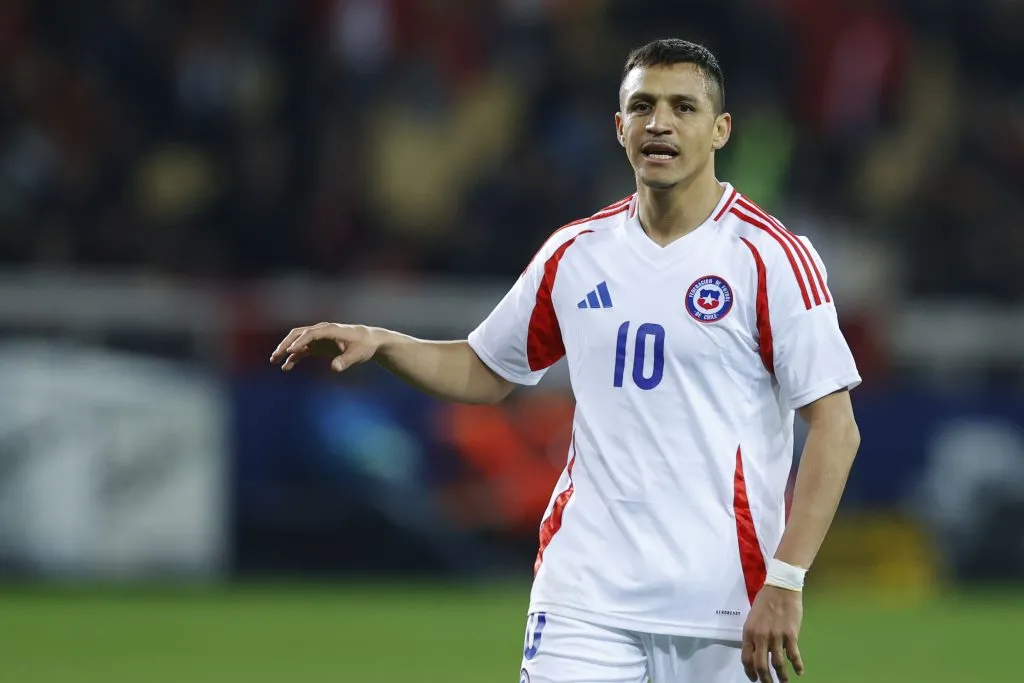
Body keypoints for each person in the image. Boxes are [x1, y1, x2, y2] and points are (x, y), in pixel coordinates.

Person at [270, 38, 861, 683]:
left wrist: (786, 580)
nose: (659, 123)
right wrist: (384, 343)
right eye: (643, 106)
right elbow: (487, 369)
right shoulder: (575, 253)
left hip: (722, 601)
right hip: (584, 592)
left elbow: (836, 428)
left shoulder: (770, 257)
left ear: (720, 130)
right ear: (620, 127)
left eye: (683, 107)